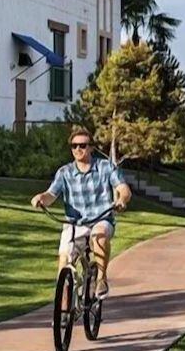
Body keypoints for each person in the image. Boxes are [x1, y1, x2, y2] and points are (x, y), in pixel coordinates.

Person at [30, 128, 130, 299]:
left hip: (101, 218)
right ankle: (62, 312)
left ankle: (101, 278)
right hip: (75, 224)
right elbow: (51, 195)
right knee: (64, 262)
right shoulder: (65, 172)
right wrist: (40, 198)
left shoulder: (105, 167)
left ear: (91, 147)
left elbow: (123, 188)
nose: (78, 149)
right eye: (74, 146)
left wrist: (122, 200)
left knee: (99, 235)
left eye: (82, 145)